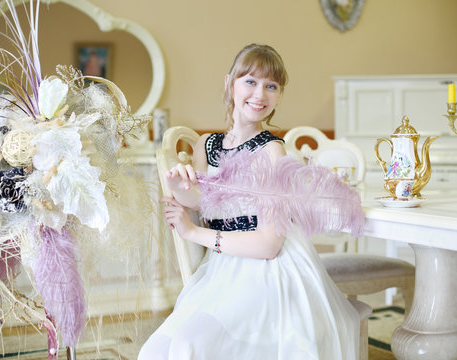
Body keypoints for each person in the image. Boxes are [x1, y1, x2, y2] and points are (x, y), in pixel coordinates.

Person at [138, 43, 361, 359]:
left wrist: (192, 233)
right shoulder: (207, 144)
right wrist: (180, 186)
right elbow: (204, 201)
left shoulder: (270, 150)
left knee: (188, 345)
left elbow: (268, 246)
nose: (260, 94)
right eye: (250, 82)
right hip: (222, 267)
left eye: (271, 86)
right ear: (229, 83)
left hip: (267, 272)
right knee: (154, 352)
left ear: (279, 96)